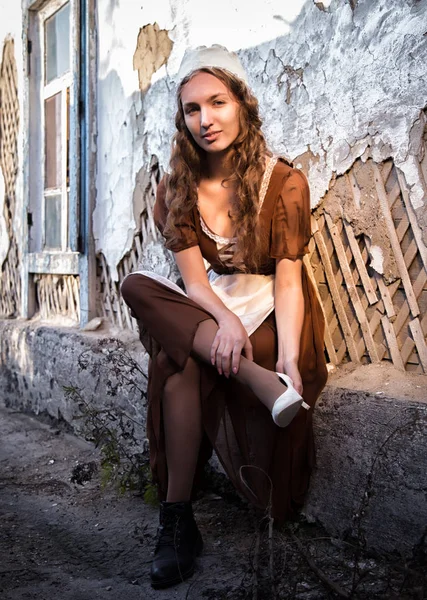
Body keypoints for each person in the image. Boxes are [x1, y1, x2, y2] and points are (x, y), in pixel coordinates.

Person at [120, 45, 328, 589]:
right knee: (135, 285)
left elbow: (287, 281)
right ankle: (179, 521)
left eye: (217, 102)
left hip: (270, 313)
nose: (205, 120)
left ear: (241, 104)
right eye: (192, 109)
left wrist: (286, 357)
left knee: (180, 360)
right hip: (214, 306)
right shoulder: (177, 189)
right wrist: (224, 323)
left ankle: (176, 518)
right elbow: (194, 284)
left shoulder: (282, 184)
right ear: (182, 119)